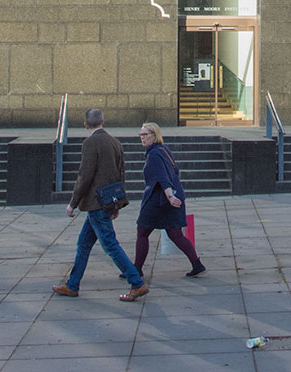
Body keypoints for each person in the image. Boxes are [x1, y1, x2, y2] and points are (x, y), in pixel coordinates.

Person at [52, 108, 149, 302]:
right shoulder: (115, 142)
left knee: (110, 245)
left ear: (86, 125)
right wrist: (117, 204)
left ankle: (137, 283)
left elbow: (84, 176)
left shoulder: (90, 143)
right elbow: (120, 174)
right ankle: (72, 285)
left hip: (96, 204)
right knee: (84, 243)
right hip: (107, 202)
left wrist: (73, 203)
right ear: (103, 121)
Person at [132, 122, 206, 278]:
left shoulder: (154, 154)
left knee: (142, 231)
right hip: (170, 198)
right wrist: (173, 196)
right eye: (141, 135)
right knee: (175, 234)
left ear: (154, 135)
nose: (142, 138)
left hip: (158, 200)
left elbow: (162, 177)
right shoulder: (164, 150)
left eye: (145, 135)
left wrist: (170, 196)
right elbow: (174, 172)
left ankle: (136, 270)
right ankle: (197, 264)